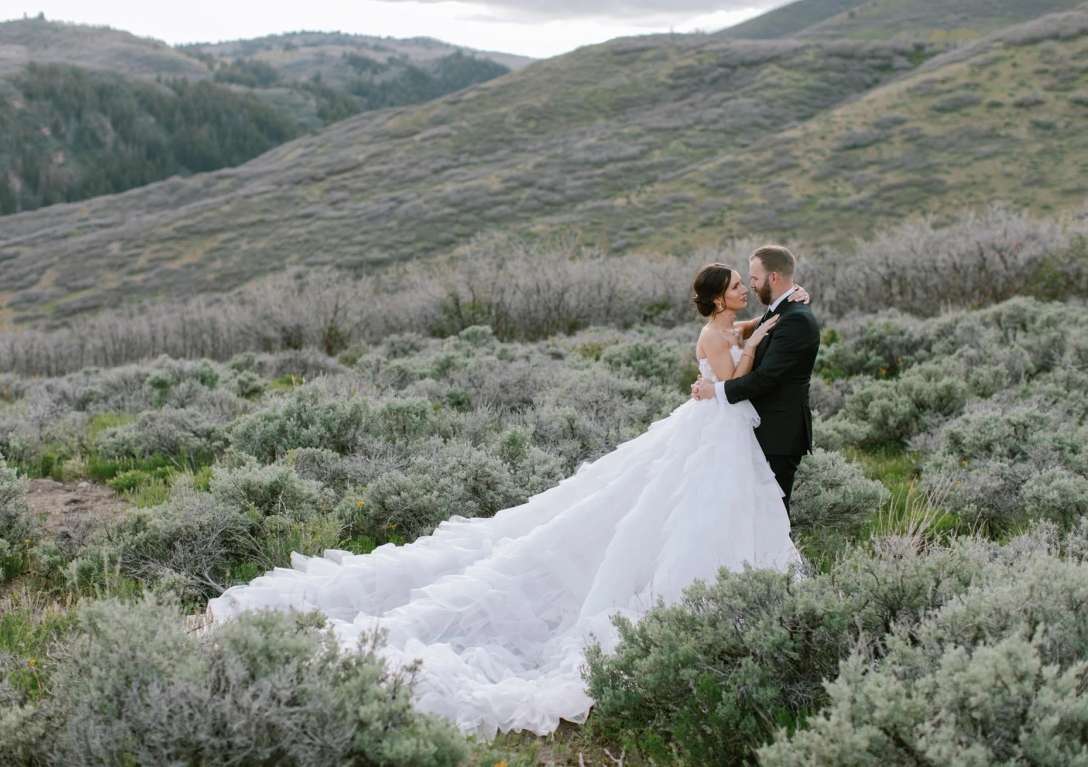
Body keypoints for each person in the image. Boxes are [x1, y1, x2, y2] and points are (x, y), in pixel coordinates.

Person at [207, 266, 809, 740]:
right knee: (688, 514)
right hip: (717, 427)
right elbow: (734, 378)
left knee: (689, 511)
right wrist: (759, 341)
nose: (742, 292)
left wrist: (766, 322)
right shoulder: (716, 332)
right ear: (717, 298)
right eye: (735, 287)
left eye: (744, 284)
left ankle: (718, 594)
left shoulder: (723, 325)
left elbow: (737, 345)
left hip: (714, 430)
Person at [691, 245, 820, 518]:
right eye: (738, 285)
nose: (748, 287)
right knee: (741, 509)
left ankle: (770, 562)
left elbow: (763, 379)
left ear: (773, 278)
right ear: (718, 298)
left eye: (751, 279)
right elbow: (763, 327)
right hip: (743, 427)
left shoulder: (790, 318)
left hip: (777, 433)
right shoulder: (774, 314)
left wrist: (713, 389)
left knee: (770, 514)